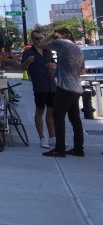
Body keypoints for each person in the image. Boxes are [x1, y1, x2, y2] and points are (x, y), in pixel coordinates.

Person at [38, 28, 85, 157]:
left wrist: (51, 34)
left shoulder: (61, 43)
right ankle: (78, 148)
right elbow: (82, 71)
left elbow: (40, 45)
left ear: (63, 35)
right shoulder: (78, 49)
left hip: (64, 88)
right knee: (75, 120)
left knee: (58, 118)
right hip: (76, 88)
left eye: (56, 36)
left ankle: (59, 149)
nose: (55, 39)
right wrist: (60, 69)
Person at [21, 31, 56, 149]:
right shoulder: (28, 52)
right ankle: (42, 137)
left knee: (51, 112)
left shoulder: (48, 51)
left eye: (41, 38)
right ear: (32, 40)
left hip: (51, 85)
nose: (39, 40)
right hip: (40, 85)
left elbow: (54, 63)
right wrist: (28, 61)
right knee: (40, 111)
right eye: (36, 39)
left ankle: (52, 137)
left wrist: (53, 65)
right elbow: (23, 68)